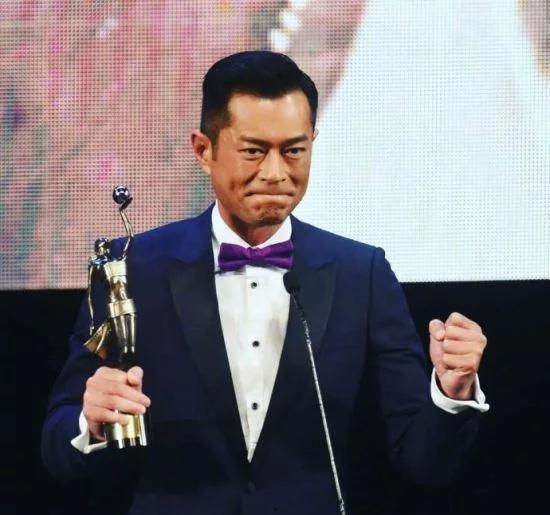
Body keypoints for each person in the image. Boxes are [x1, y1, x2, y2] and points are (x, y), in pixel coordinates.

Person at [41, 51, 489, 515]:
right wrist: (89, 422)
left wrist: (451, 393)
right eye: (254, 151)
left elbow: (423, 461)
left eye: (294, 150)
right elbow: (56, 448)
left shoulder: (362, 273)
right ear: (204, 150)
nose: (276, 174)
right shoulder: (132, 267)